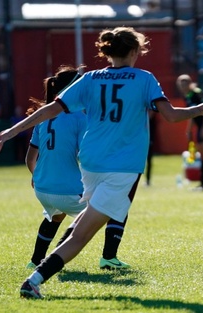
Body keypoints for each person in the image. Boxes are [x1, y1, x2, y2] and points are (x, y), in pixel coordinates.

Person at [0, 26, 203, 299]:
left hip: (90, 163)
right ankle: (34, 280)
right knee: (82, 235)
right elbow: (170, 115)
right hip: (121, 168)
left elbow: (52, 108)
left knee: (86, 223)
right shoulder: (144, 78)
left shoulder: (90, 78)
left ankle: (54, 264)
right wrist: (199, 108)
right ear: (135, 51)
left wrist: (13, 130)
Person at [24, 65, 130, 271]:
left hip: (42, 189)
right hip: (68, 191)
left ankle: (36, 260)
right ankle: (109, 258)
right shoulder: (80, 118)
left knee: (55, 215)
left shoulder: (42, 117)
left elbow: (30, 159)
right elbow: (88, 156)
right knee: (117, 206)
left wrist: (37, 177)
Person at [176, 74, 203, 191]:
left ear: (190, 82)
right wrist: (189, 130)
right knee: (202, 156)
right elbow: (191, 114)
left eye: (185, 82)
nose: (183, 84)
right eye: (181, 82)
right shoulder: (187, 96)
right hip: (200, 128)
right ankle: (202, 183)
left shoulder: (196, 92)